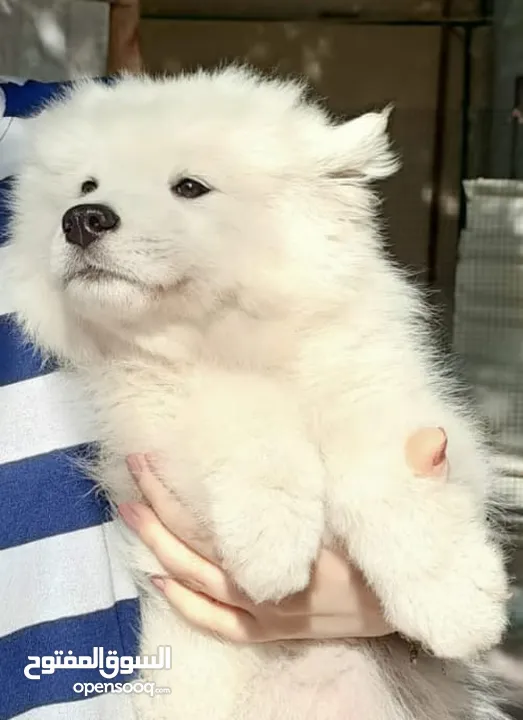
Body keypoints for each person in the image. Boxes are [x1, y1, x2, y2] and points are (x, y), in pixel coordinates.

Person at [0, 76, 448, 718]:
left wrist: (393, 585)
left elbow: (381, 409)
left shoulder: (103, 113)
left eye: (186, 187)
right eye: (85, 192)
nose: (87, 214)